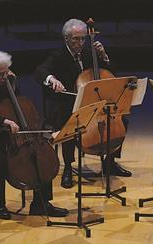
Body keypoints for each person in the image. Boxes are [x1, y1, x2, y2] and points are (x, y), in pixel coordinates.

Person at [0, 50, 68, 220]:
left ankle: (41, 204)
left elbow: (18, 106)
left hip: (5, 138)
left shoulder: (5, 83)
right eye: (1, 74)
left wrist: (13, 83)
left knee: (41, 154)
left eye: (7, 72)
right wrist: (2, 121)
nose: (5, 77)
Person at [35, 18, 131, 189]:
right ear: (66, 39)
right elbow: (40, 70)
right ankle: (68, 168)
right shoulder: (58, 56)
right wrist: (52, 79)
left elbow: (111, 73)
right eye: (76, 39)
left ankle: (109, 162)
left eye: (83, 39)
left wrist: (103, 56)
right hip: (67, 104)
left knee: (122, 119)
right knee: (70, 122)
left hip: (92, 104)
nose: (80, 43)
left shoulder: (89, 54)